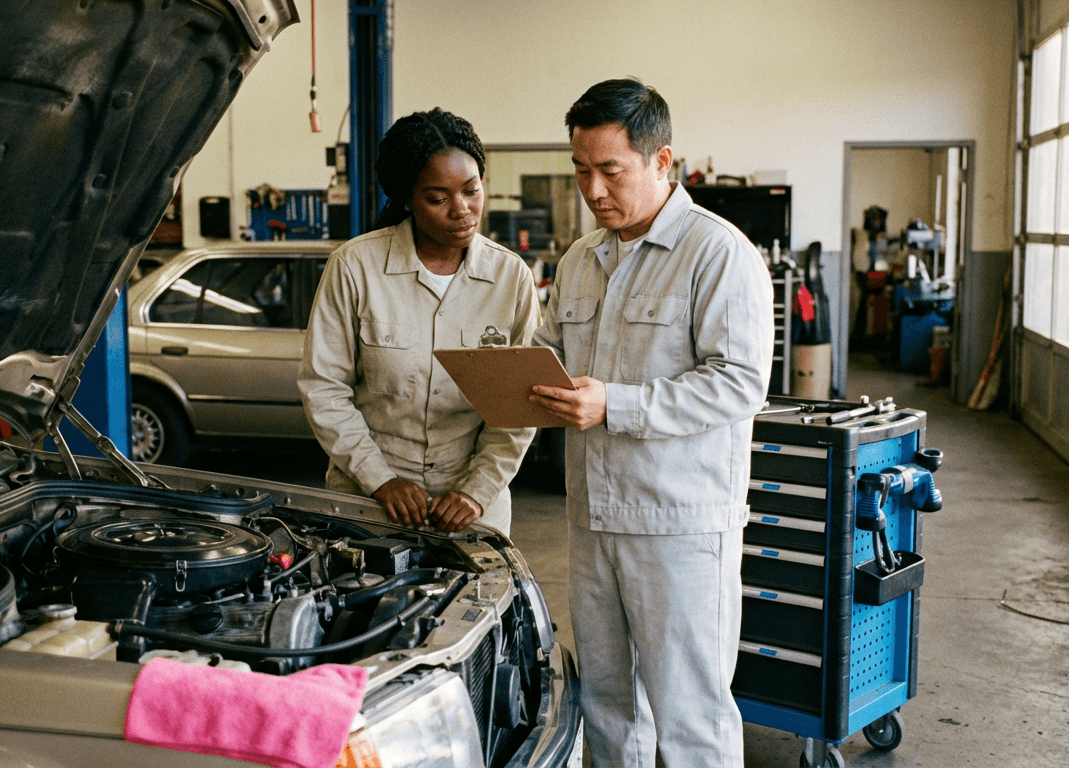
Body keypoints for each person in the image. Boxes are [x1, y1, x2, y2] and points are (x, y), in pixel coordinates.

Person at [528, 78, 773, 767]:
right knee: (607, 707)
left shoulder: (717, 254)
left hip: (679, 526)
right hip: (593, 518)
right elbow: (550, 354)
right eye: (581, 170)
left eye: (611, 171)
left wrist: (617, 404)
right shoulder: (581, 260)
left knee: (690, 717)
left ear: (662, 161)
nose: (593, 190)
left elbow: (740, 382)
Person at [298, 108, 540, 537]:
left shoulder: (511, 278)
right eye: (438, 198)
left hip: (473, 508)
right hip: (368, 504)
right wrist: (380, 480)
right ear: (407, 199)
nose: (462, 210)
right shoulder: (355, 267)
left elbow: (517, 407)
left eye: (472, 190)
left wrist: (476, 492)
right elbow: (324, 387)